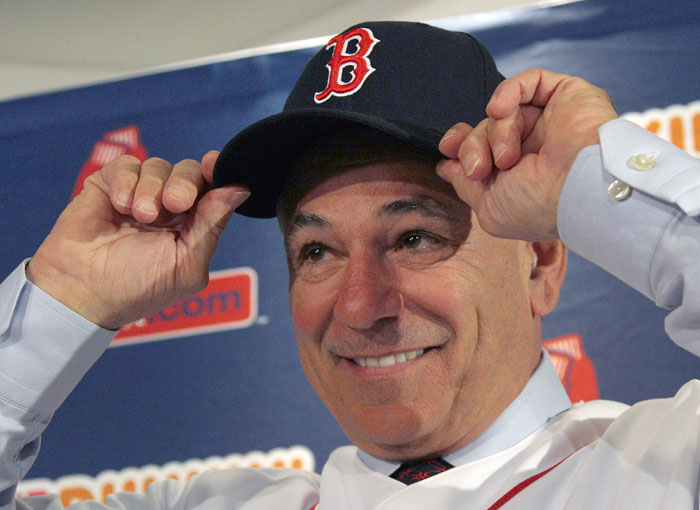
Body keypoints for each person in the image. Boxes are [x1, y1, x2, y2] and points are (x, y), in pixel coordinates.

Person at [1, 20, 699, 509]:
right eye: (317, 252)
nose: (362, 305)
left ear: (541, 262)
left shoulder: (669, 467)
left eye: (414, 237)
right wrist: (66, 301)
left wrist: (596, 182)